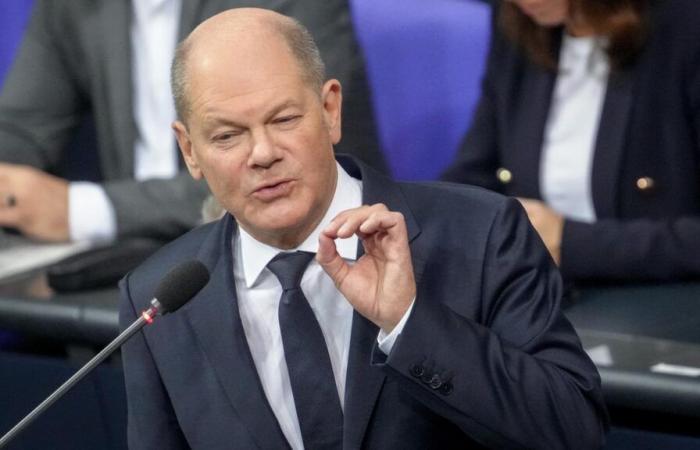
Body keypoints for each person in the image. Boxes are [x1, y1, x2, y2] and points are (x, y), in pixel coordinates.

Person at [119, 8, 608, 449]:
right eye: (227, 136)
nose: (263, 153)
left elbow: (574, 430)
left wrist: (408, 322)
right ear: (189, 151)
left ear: (330, 110)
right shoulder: (157, 301)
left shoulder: (480, 234)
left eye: (284, 119)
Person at [0, 0, 386, 244]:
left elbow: (287, 166)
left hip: (295, 245)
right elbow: (19, 131)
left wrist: (83, 210)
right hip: (128, 257)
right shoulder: (71, 7)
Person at [442, 0, 700, 283]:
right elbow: (472, 176)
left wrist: (571, 243)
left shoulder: (685, 26)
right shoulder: (519, 26)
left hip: (664, 303)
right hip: (540, 297)